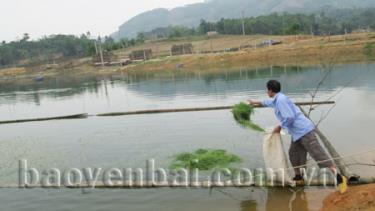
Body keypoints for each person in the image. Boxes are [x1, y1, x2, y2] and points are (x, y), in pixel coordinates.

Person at [248, 79, 347, 193]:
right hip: (297, 134)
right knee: (294, 154)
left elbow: (289, 117)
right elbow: (266, 102)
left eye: (267, 89)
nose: (266, 92)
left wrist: (280, 127)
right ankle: (299, 178)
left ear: (270, 90)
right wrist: (254, 102)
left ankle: (340, 179)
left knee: (319, 155)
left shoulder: (281, 100)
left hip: (304, 131)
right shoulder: (277, 99)